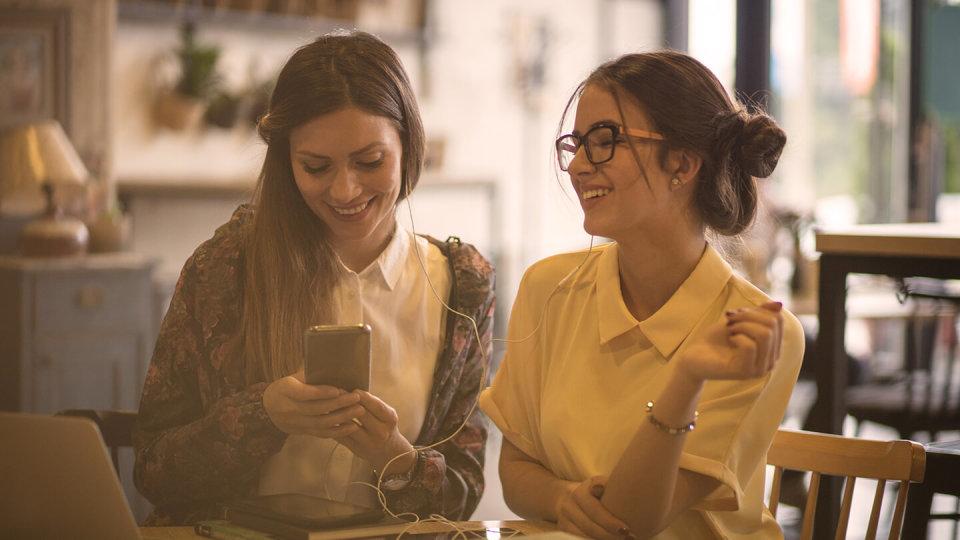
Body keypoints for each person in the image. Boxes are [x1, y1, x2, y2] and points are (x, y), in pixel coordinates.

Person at [133, 31, 495, 526]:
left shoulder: (460, 284)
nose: (345, 189)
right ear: (285, 161)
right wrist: (263, 417)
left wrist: (397, 457)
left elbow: (465, 491)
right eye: (316, 166)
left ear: (410, 145)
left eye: (370, 162)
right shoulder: (224, 269)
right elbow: (154, 470)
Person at [480, 50, 803, 539]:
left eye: (605, 141)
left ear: (683, 163)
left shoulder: (755, 329)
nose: (578, 167)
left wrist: (688, 375)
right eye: (577, 144)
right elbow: (516, 471)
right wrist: (563, 498)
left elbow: (633, 524)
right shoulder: (549, 288)